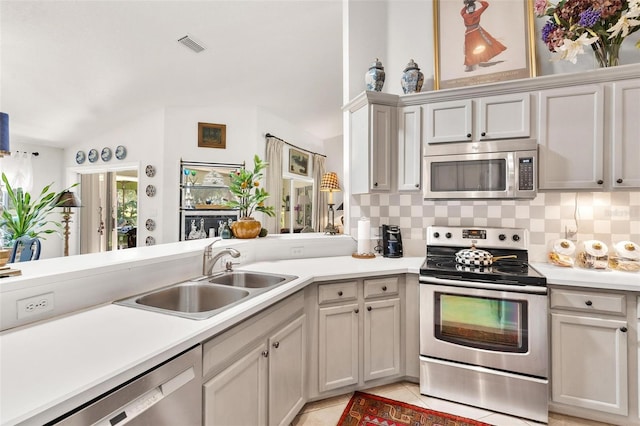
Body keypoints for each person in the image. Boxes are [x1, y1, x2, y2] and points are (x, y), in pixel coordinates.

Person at [461, 0, 506, 72]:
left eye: (471, 8)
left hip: (475, 33)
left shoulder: (476, 13)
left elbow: (486, 5)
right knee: (469, 49)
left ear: (474, 8)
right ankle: (469, 65)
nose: (470, 9)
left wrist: (472, 2)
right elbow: (485, 5)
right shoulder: (466, 15)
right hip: (469, 34)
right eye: (469, 8)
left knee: (478, 47)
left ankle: (474, 63)